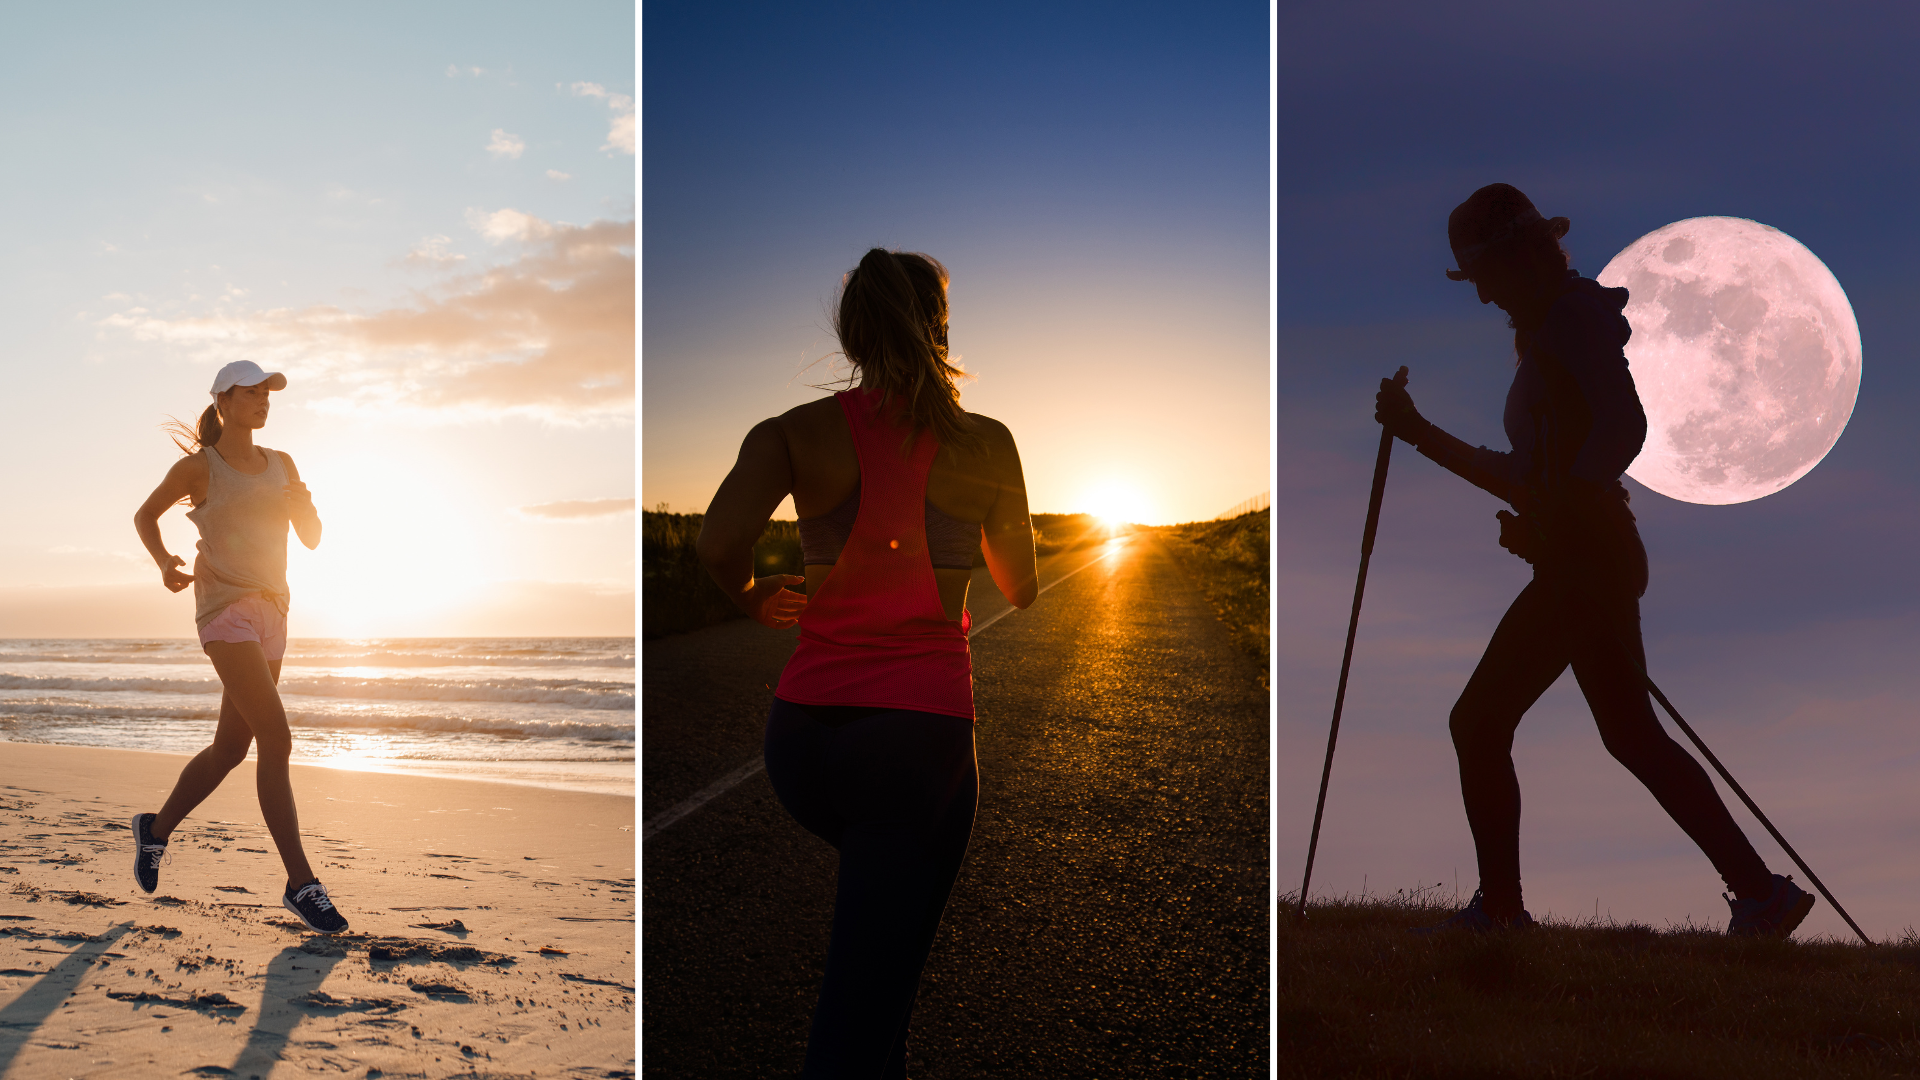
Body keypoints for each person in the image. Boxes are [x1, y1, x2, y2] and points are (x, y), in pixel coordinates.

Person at [1374, 183, 1814, 938]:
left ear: (1515, 262)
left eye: (1480, 278)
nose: (1480, 298)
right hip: (1587, 553)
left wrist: (1565, 512)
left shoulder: (1571, 320)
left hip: (1588, 557)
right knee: (1630, 736)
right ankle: (1761, 896)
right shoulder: (1556, 324)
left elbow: (1624, 424)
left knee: (1480, 721)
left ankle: (1503, 914)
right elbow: (1527, 470)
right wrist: (1420, 434)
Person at [697, 248, 1037, 1077]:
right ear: (939, 328)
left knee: (883, 984)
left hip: (802, 742)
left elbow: (715, 546)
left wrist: (752, 597)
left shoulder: (790, 433)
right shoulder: (986, 442)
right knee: (859, 1014)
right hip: (916, 751)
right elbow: (1020, 586)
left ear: (850, 332)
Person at [129, 359, 349, 934]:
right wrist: (164, 564)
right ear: (223, 401)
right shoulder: (198, 468)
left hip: (275, 611)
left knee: (230, 747)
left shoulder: (283, 463)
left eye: (267, 394)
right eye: (252, 393)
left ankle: (155, 830)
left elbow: (312, 539)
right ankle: (302, 884)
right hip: (224, 611)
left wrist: (303, 504)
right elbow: (145, 515)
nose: (264, 402)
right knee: (276, 738)